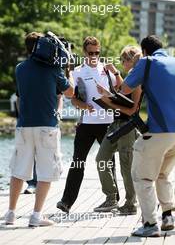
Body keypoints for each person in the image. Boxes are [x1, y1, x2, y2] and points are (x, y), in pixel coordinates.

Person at [4, 32, 74, 227]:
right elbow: (70, 92)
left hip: (24, 126)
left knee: (18, 170)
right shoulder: (53, 69)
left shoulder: (20, 69)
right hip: (47, 126)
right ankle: (36, 216)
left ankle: (10, 213)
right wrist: (68, 71)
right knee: (45, 172)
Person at [56, 36, 122, 213]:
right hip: (86, 124)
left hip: (108, 123)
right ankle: (66, 202)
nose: (94, 55)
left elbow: (122, 91)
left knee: (108, 163)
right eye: (91, 52)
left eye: (97, 52)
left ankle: (113, 199)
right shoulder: (77, 72)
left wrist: (116, 73)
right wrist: (83, 105)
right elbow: (73, 98)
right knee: (78, 162)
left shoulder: (107, 69)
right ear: (85, 52)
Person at [120, 35, 175, 237]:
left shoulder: (147, 62)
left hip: (159, 131)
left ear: (144, 51)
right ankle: (168, 216)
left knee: (142, 177)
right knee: (162, 174)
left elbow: (125, 89)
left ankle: (150, 224)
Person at [94, 46, 142, 214]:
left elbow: (131, 110)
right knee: (101, 159)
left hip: (127, 127)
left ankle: (131, 204)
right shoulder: (130, 78)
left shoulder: (137, 81)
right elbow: (122, 94)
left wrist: (108, 101)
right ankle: (111, 198)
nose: (121, 63)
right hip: (114, 125)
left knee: (126, 167)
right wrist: (107, 94)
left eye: (123, 60)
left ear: (130, 61)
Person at [23, 94, 63, 194]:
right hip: (30, 121)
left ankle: (55, 169)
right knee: (31, 153)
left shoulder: (51, 78)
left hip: (49, 121)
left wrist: (58, 112)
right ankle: (32, 183)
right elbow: (19, 97)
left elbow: (59, 97)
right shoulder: (25, 78)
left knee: (49, 152)